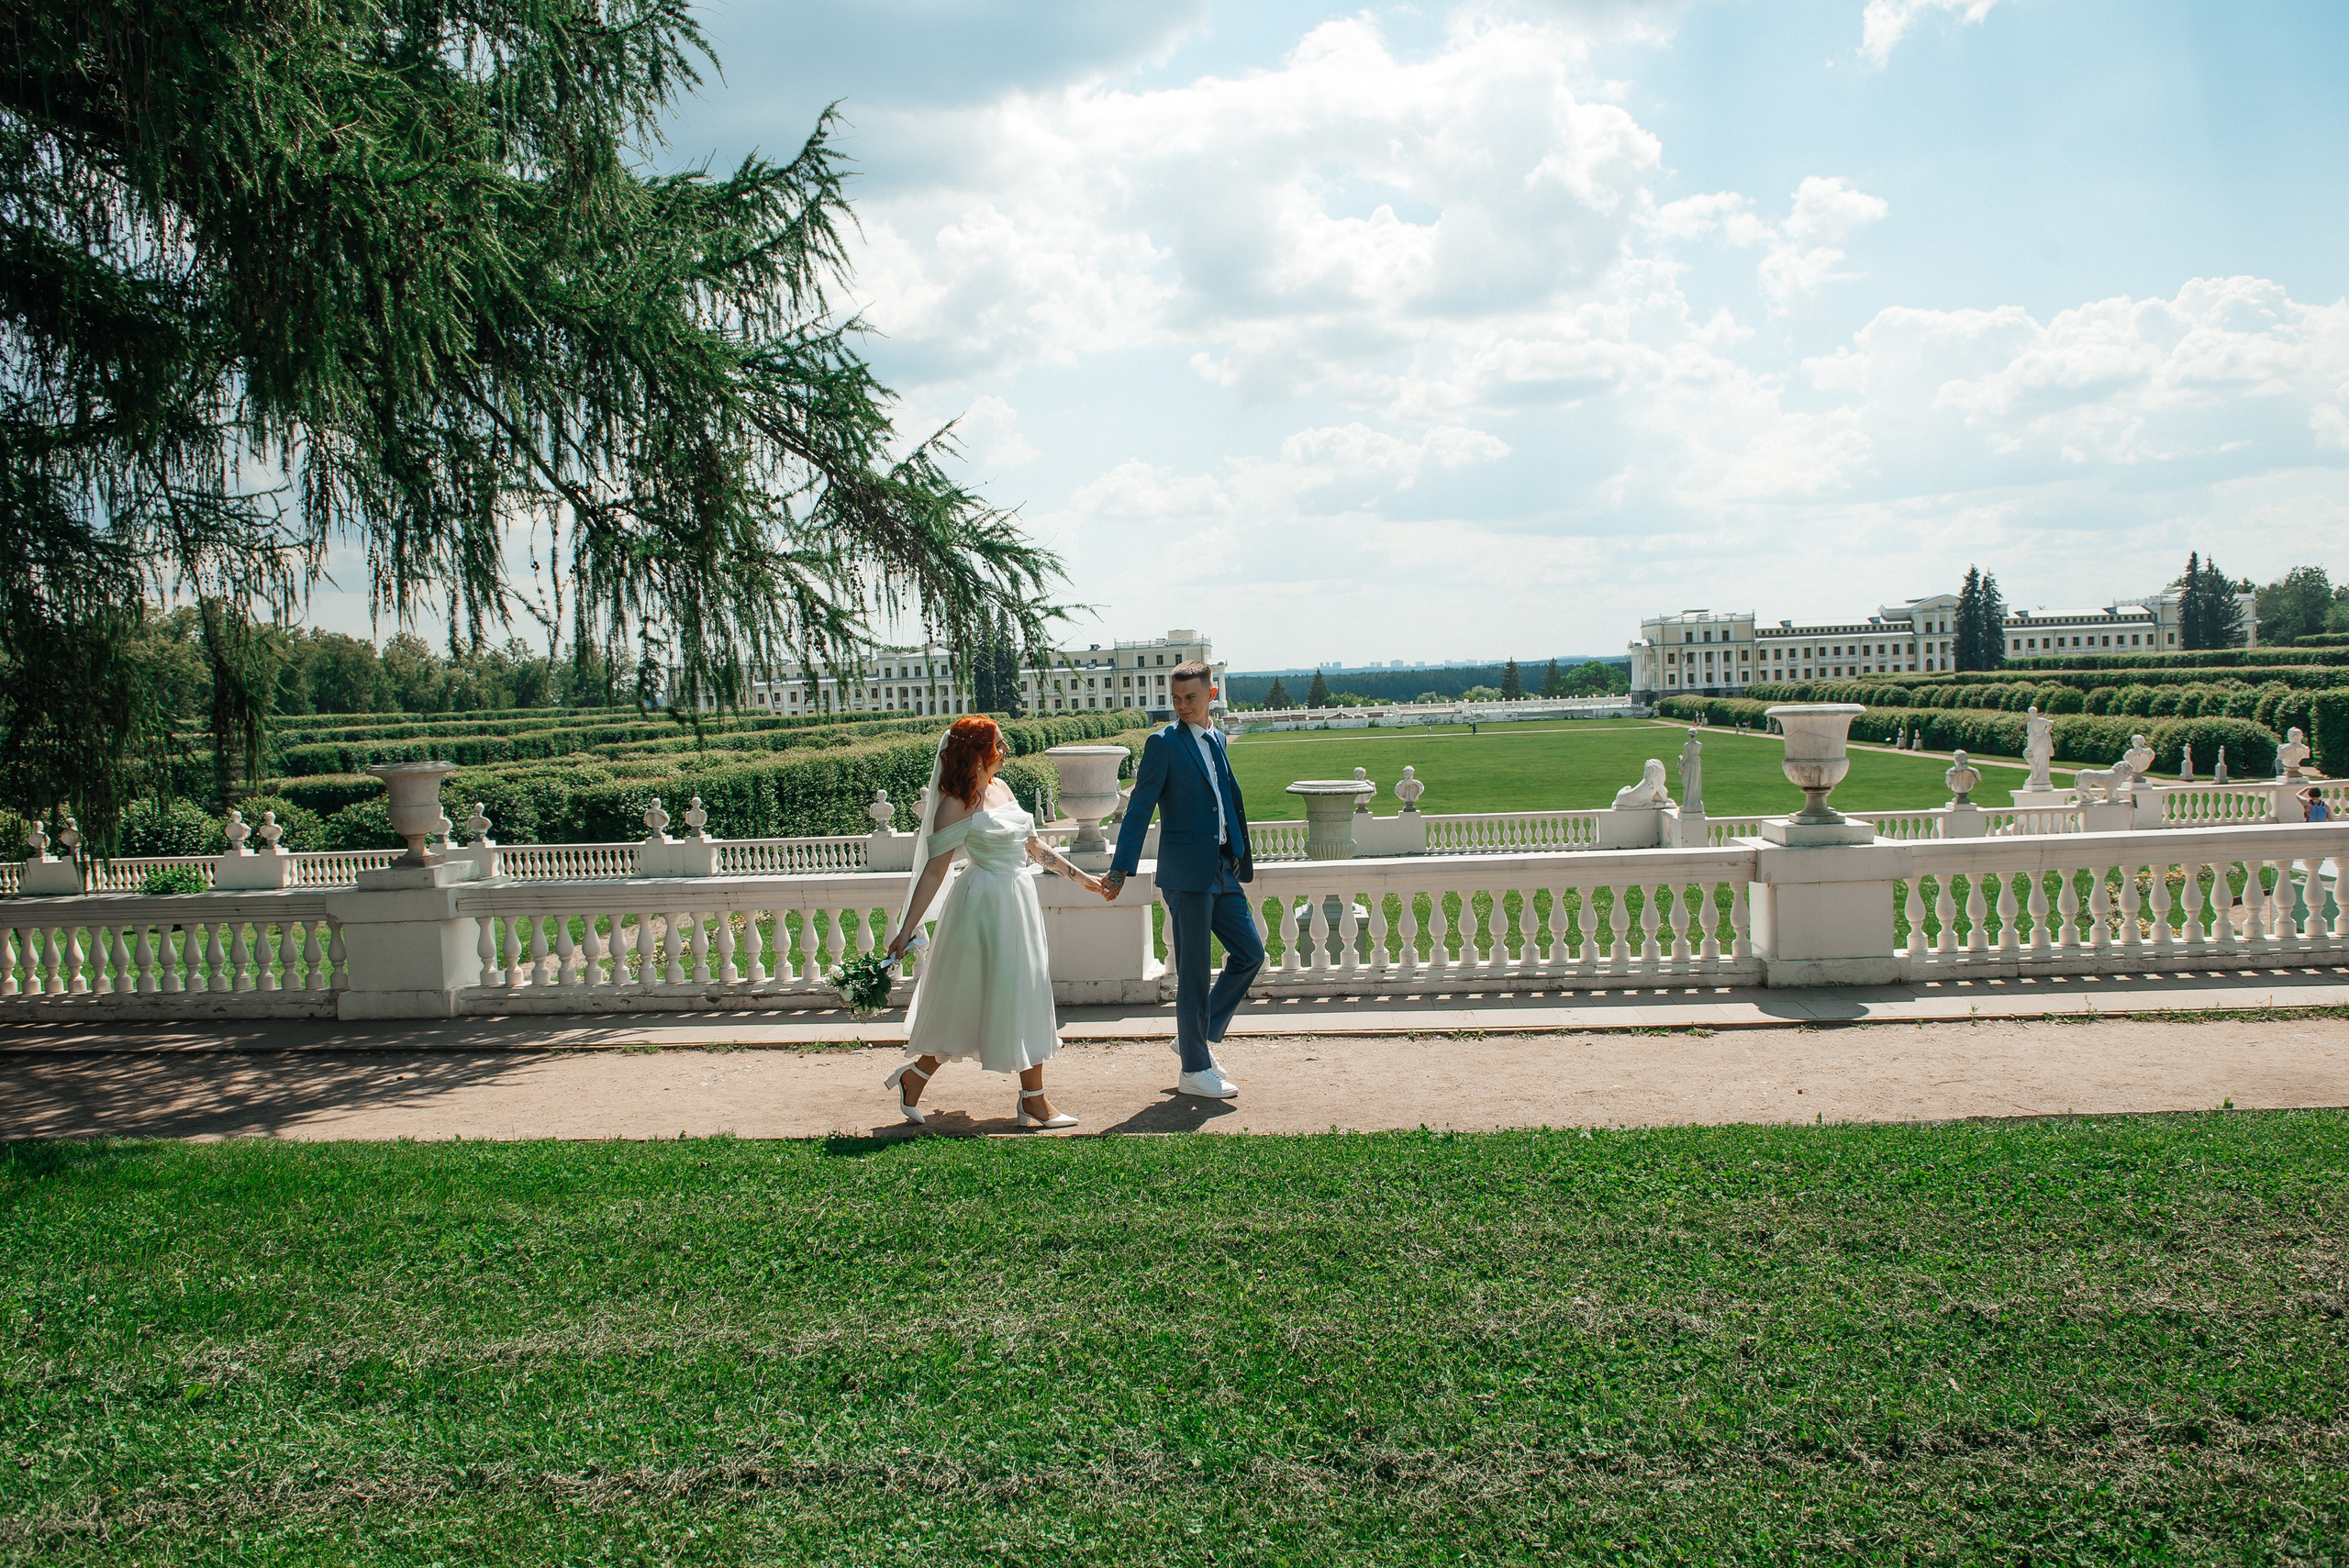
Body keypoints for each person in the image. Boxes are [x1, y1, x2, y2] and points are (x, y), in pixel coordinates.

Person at [882, 716, 1104, 1129]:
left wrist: (1084, 880)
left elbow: (1034, 847)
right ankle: (1027, 1100)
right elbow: (934, 872)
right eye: (998, 745)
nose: (1005, 751)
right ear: (975, 751)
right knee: (971, 1000)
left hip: (1018, 900)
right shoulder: (954, 803)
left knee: (1025, 993)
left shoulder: (1003, 788)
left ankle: (926, 1080)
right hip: (981, 907)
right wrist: (906, 928)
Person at [1102, 661, 1264, 1098]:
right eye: (1175, 699)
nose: (1181, 706)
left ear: (1211, 695)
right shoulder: (1163, 744)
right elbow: (1139, 809)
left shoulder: (1219, 738)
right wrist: (1121, 868)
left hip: (1222, 868)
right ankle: (1193, 1069)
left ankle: (1195, 1036)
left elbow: (1223, 798)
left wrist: (1236, 851)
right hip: (1186, 874)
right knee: (1192, 973)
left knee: (1250, 954)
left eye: (1190, 698)